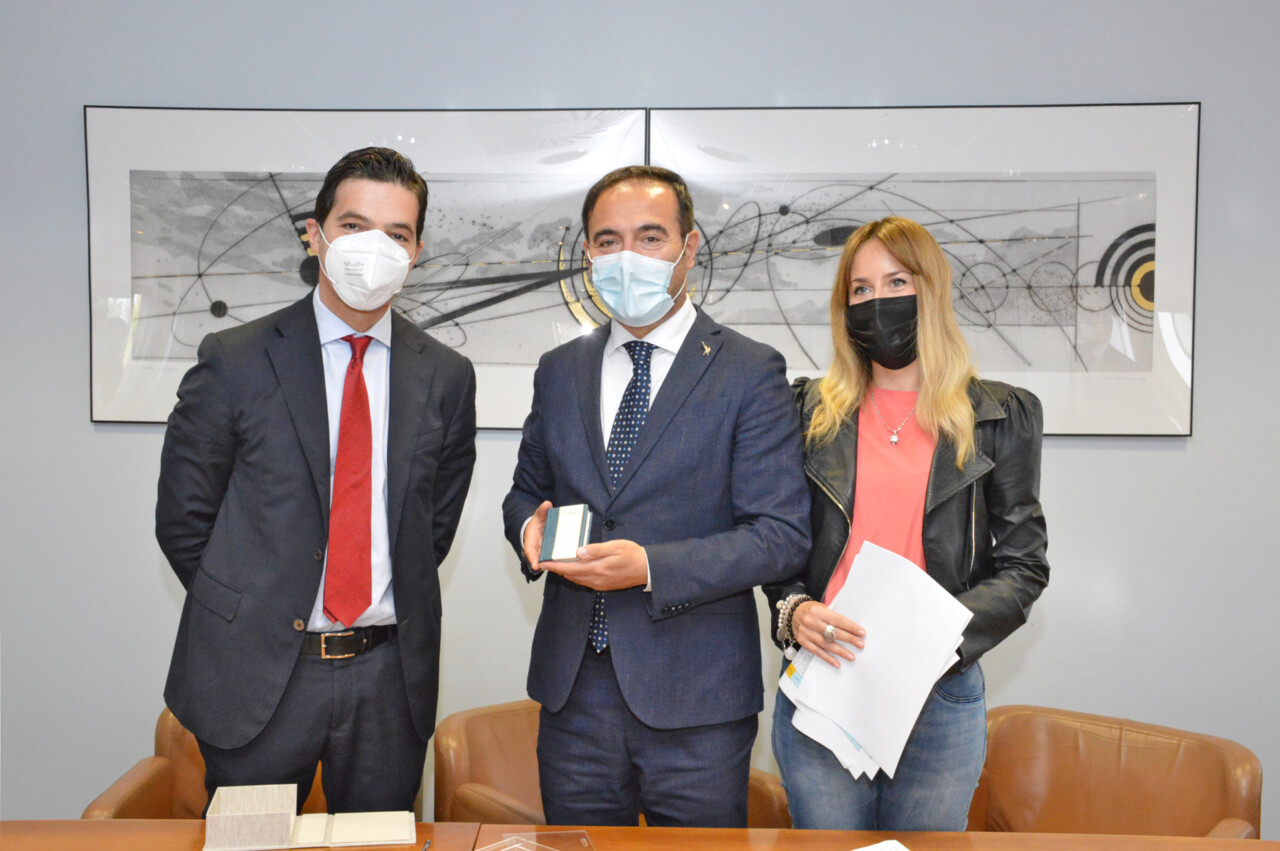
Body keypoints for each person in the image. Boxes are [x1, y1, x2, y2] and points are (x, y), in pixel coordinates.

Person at [156, 147, 477, 813]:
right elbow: (183, 521)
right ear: (315, 234)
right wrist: (256, 610)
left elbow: (432, 526)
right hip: (259, 671)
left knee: (378, 845)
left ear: (416, 252)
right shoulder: (236, 359)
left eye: (397, 234)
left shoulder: (446, 375)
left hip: (389, 679)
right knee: (252, 842)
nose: (375, 248)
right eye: (355, 226)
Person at [502, 165, 810, 828]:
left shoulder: (749, 370)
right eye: (607, 241)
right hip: (573, 695)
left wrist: (650, 566)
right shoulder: (560, 370)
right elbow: (526, 491)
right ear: (588, 255)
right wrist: (527, 526)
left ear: (688, 248)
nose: (628, 257)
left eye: (649, 237)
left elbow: (780, 535)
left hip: (697, 702)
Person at [765, 216, 1049, 831]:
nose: (878, 301)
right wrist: (792, 609)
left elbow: (1024, 567)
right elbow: (773, 540)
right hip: (827, 678)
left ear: (932, 290)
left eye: (897, 282)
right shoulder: (804, 412)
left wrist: (931, 641)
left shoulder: (999, 416)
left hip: (938, 689)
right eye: (860, 289)